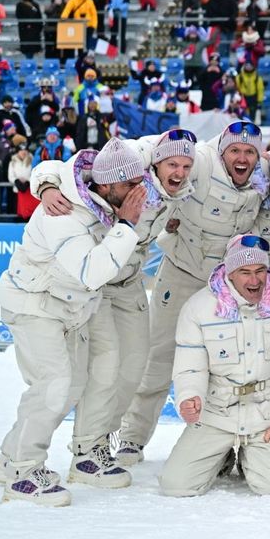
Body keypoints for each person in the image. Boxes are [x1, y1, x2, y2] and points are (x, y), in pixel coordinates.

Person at [21, 129, 197, 491]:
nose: (179, 171)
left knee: (133, 369)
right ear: (154, 162)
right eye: (172, 163)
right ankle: (86, 451)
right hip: (96, 284)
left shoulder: (184, 180)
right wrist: (47, 188)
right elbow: (58, 167)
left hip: (129, 281)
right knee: (105, 366)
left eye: (186, 164)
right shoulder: (130, 158)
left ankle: (100, 441)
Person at [0, 139, 147, 505]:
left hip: (71, 308)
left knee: (69, 386)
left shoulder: (105, 196)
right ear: (106, 186)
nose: (139, 192)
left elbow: (56, 168)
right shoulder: (61, 214)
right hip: (35, 304)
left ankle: (8, 459)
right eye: (130, 186)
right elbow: (92, 273)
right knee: (53, 386)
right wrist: (126, 224)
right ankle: (22, 472)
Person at [118, 122, 269, 465]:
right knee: (157, 356)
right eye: (234, 150)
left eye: (249, 152)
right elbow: (146, 148)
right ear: (221, 151)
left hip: (224, 287)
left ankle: (222, 446)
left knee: (226, 364)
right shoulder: (200, 161)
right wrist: (51, 183)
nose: (242, 157)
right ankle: (131, 437)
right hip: (182, 272)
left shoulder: (265, 171)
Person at [160, 234, 270, 498]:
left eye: (260, 271)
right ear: (230, 273)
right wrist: (189, 397)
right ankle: (221, 456)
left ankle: (250, 456)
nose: (254, 281)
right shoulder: (199, 306)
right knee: (176, 485)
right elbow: (190, 366)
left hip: (266, 413)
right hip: (217, 411)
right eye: (244, 272)